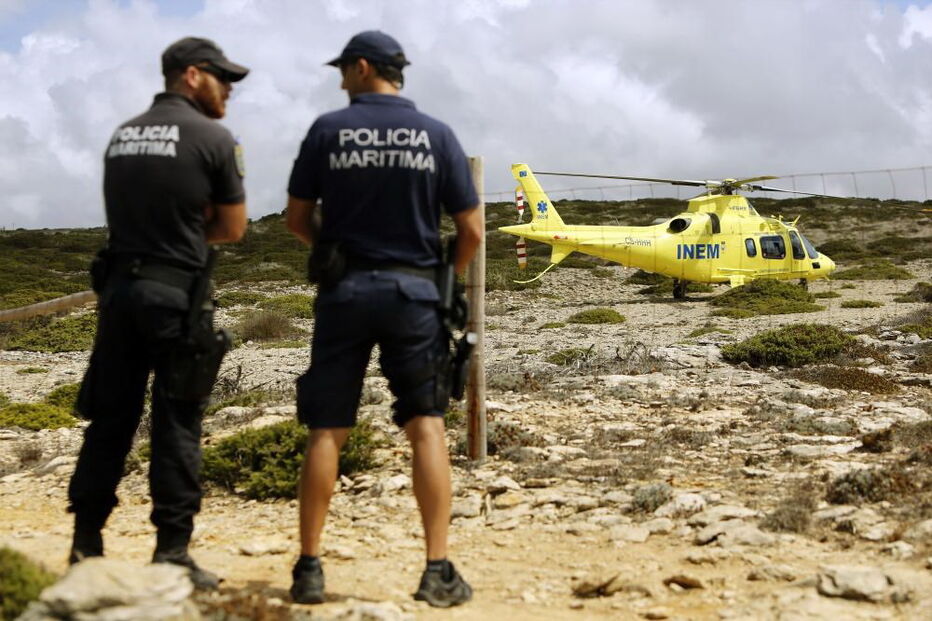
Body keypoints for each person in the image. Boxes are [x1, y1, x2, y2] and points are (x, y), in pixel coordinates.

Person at [285, 30, 483, 608]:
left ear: (364, 67)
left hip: (344, 293)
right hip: (414, 296)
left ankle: (309, 568)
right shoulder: (437, 135)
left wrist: (331, 248)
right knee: (425, 424)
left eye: (343, 69)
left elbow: (298, 218)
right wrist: (443, 274)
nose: (340, 79)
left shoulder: (327, 131)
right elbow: (470, 231)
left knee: (328, 428)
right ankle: (437, 569)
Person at [66, 36, 249, 590]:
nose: (230, 91)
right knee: (178, 422)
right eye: (224, 79)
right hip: (176, 297)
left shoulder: (122, 137)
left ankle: (85, 545)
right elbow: (233, 229)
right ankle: (171, 551)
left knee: (110, 421)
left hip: (119, 294)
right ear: (192, 76)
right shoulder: (213, 138)